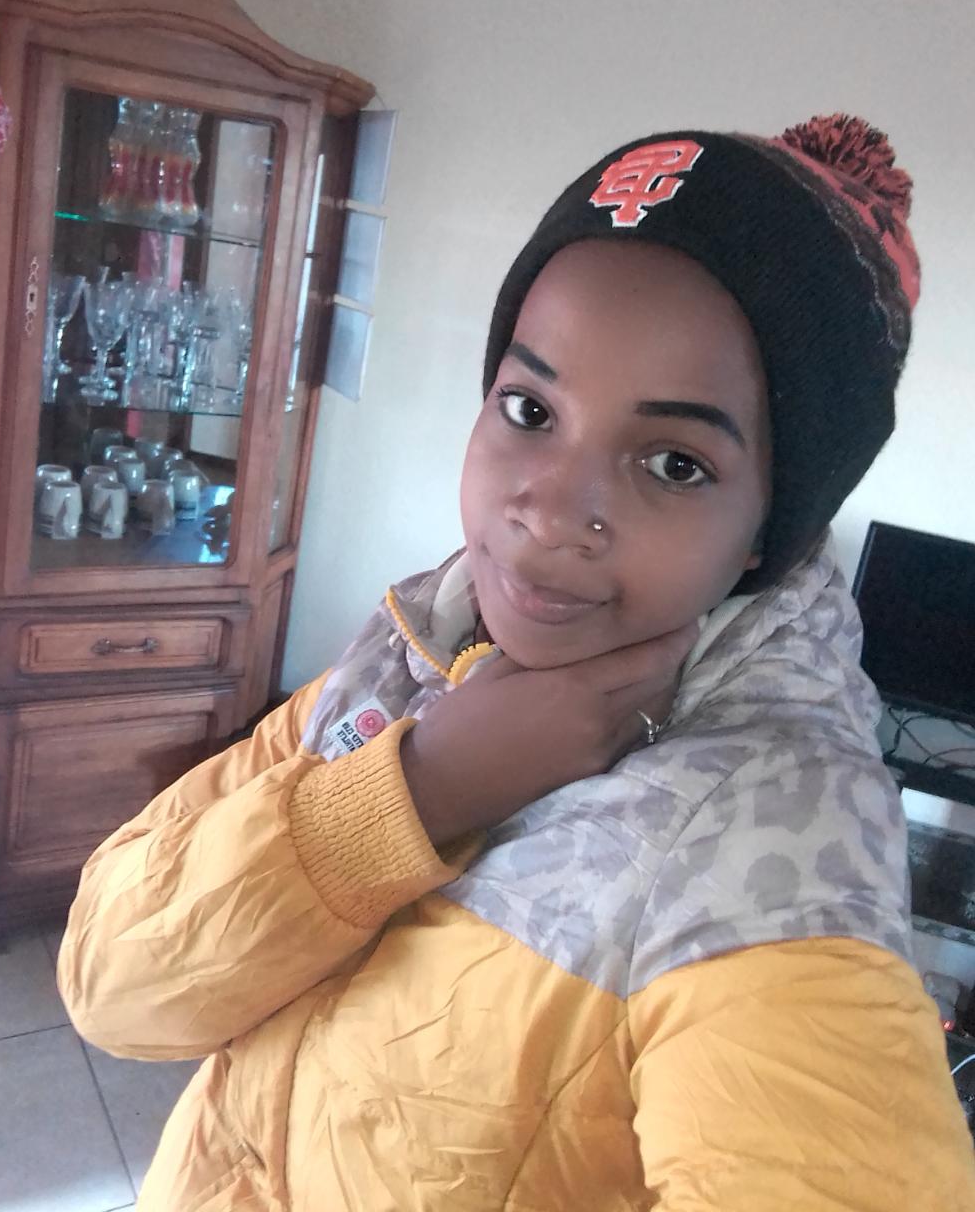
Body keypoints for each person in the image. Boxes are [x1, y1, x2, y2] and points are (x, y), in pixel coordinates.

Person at [58, 114, 975, 1211]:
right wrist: (418, 788)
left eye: (675, 464)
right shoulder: (414, 645)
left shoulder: (775, 829)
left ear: (770, 530)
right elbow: (115, 988)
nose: (546, 512)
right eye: (531, 408)